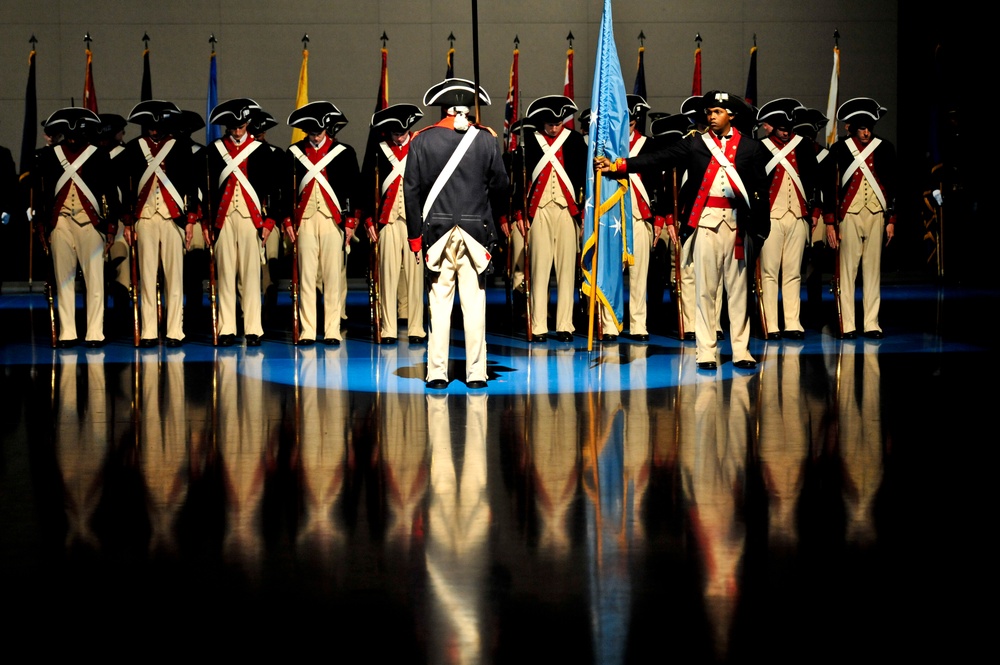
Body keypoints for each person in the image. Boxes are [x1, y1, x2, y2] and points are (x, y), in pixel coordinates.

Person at [597, 90, 770, 370]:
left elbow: (761, 191)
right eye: (709, 112)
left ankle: (741, 350)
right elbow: (658, 159)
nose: (711, 117)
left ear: (732, 116)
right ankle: (706, 350)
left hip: (738, 226)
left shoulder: (750, 148)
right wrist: (618, 165)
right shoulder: (695, 145)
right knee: (705, 290)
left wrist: (760, 231)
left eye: (717, 112)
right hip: (705, 224)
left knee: (738, 292)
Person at [405, 78, 508, 388]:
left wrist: (414, 236)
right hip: (476, 232)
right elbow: (502, 186)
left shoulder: (421, 140)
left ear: (443, 109)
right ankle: (476, 373)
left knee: (439, 303)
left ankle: (437, 372)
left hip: (436, 233)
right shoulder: (487, 140)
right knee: (474, 305)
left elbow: (410, 191)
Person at [34, 107, 120, 347]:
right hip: (60, 223)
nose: (72, 138)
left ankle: (95, 332)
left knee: (95, 281)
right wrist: (42, 225)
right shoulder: (50, 156)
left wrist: (111, 226)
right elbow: (43, 194)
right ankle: (67, 333)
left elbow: (110, 194)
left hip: (90, 223)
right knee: (63, 280)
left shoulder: (99, 155)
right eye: (68, 133)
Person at [121, 100, 199, 347]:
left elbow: (190, 184)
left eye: (158, 126)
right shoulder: (134, 148)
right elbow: (127, 187)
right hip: (144, 218)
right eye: (149, 127)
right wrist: (127, 221)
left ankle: (175, 331)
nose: (154, 131)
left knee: (174, 278)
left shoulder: (181, 147)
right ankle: (149, 332)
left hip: (173, 217)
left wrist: (190, 219)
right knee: (146, 276)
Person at [510, 95, 586, 343]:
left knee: (566, 271)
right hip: (538, 211)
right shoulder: (529, 142)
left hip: (567, 210)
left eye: (558, 123)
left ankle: (565, 325)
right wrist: (521, 213)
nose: (555, 128)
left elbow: (586, 180)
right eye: (550, 123)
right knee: (539, 270)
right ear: (541, 122)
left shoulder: (575, 141)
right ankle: (539, 324)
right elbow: (519, 183)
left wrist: (584, 211)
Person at [284, 101, 360, 346]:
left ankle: (331, 330)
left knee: (333, 277)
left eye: (318, 131)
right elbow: (287, 190)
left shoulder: (344, 152)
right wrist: (287, 221)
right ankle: (307, 330)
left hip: (332, 220)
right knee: (306, 277)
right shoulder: (294, 152)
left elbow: (352, 189)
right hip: (304, 220)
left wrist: (350, 222)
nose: (315, 136)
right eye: (311, 132)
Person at [203, 98, 277, 346]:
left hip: (251, 219)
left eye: (241, 126)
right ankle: (226, 329)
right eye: (233, 127)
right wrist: (205, 222)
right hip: (222, 220)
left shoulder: (262, 151)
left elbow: (273, 190)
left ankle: (253, 329)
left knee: (251, 275)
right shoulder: (213, 151)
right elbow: (206, 189)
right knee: (225, 275)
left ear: (247, 124)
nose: (237, 131)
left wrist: (269, 222)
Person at [825, 97, 896, 339]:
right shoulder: (839, 149)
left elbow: (893, 184)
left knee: (872, 271)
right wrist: (830, 222)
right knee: (847, 272)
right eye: (861, 128)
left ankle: (871, 323)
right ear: (853, 128)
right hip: (849, 214)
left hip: (876, 214)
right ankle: (848, 324)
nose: (866, 133)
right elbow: (830, 187)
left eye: (869, 128)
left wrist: (892, 220)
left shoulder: (884, 147)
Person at [608, 94, 673, 341]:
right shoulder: (607, 146)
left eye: (634, 119)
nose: (631, 123)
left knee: (639, 276)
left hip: (640, 216)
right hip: (612, 219)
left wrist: (659, 219)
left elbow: (659, 184)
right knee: (612, 275)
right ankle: (611, 324)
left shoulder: (649, 145)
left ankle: (637, 324)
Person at [756, 98, 821, 341]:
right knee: (769, 272)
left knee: (794, 272)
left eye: (788, 127)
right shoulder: (760, 148)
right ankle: (772, 324)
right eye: (781, 127)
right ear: (771, 126)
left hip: (798, 215)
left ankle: (793, 322)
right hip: (770, 216)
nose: (786, 131)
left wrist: (813, 213)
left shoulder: (803, 145)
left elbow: (814, 182)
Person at [362, 103, 426, 344]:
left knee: (415, 276)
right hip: (387, 221)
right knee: (387, 277)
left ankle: (416, 327)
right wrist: (369, 219)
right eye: (395, 133)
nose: (400, 137)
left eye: (403, 132)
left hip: (414, 222)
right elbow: (367, 185)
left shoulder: (419, 148)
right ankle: (387, 328)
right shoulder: (378, 151)